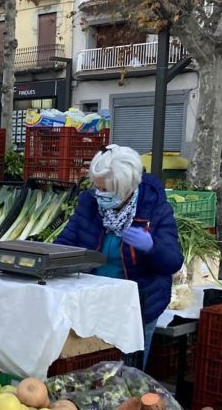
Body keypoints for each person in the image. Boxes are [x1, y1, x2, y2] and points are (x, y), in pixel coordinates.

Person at [55, 144, 183, 366]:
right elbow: (66, 241)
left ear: (127, 188)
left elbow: (173, 261)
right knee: (90, 368)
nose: (100, 195)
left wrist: (152, 247)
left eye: (106, 191)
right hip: (92, 303)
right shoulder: (89, 204)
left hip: (137, 306)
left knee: (127, 372)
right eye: (97, 188)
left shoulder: (154, 209)